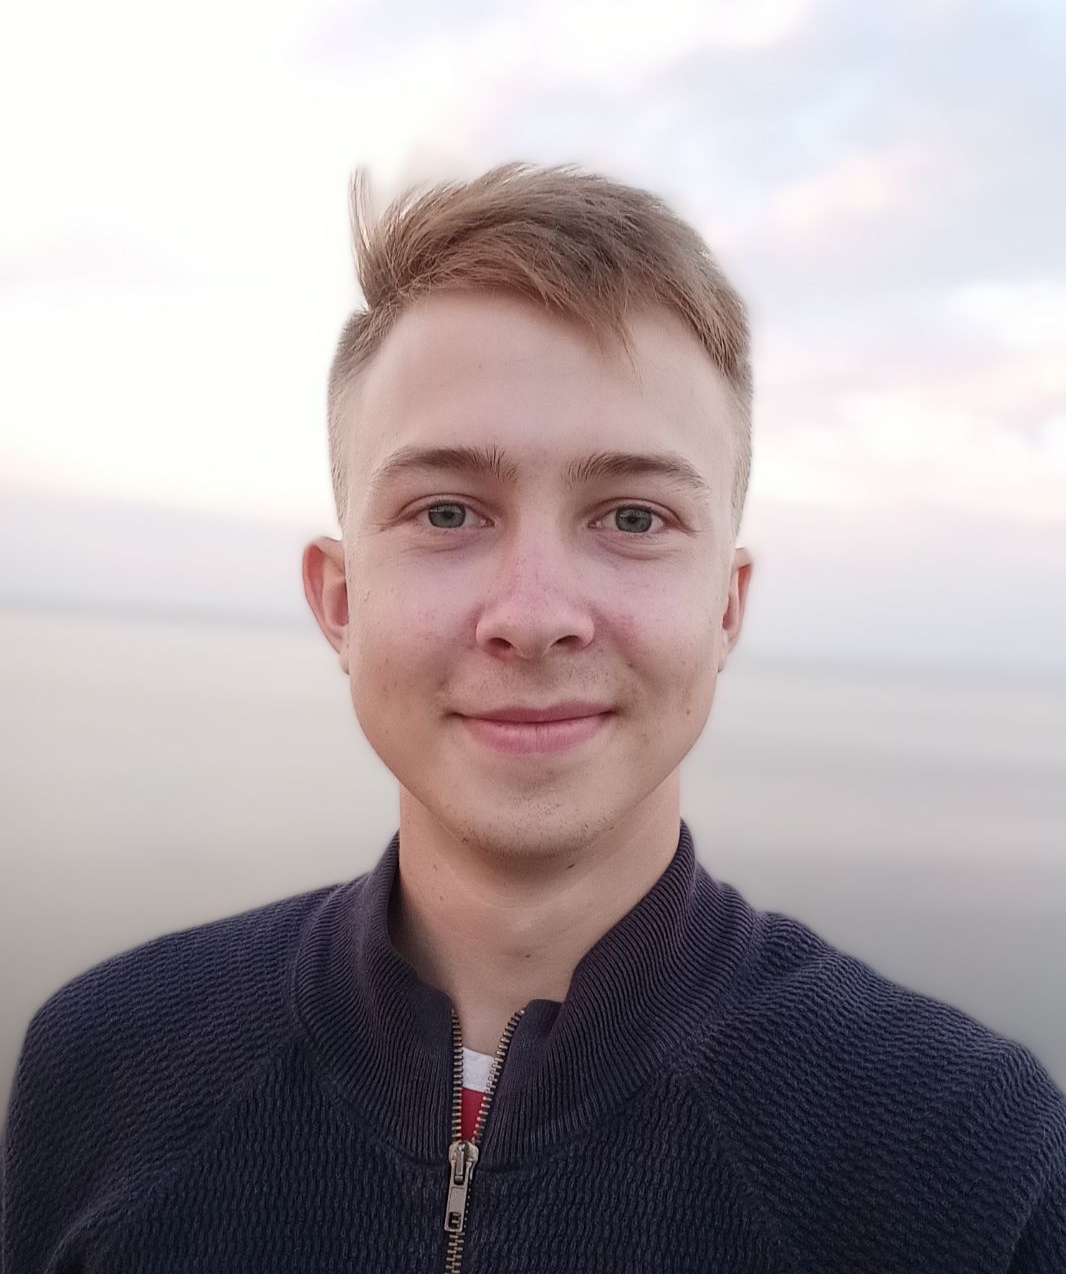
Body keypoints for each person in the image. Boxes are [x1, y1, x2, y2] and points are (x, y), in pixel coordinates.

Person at [2, 162, 1064, 1274]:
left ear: (727, 607)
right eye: (446, 511)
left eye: (634, 516)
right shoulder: (104, 1062)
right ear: (341, 600)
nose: (533, 616)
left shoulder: (964, 1159)